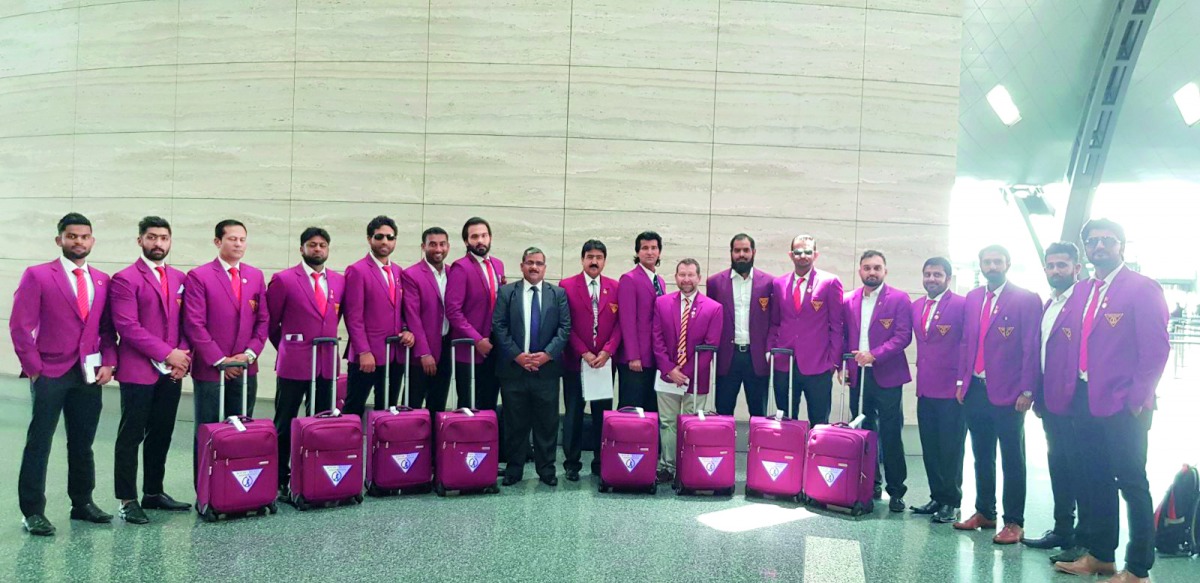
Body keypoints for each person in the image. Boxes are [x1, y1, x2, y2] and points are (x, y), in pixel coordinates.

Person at [1054, 219, 1170, 583]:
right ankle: (1102, 556)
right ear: (1085, 248)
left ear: (1121, 245)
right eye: (1092, 241)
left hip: (1125, 404)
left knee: (1132, 482)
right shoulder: (1082, 290)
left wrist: (1137, 398)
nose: (1099, 246)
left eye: (1107, 240)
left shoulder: (1141, 288)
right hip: (1086, 400)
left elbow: (1156, 350)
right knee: (1095, 479)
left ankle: (1137, 568)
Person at [11, 213, 117, 536]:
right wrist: (34, 369)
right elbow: (19, 326)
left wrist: (109, 363)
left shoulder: (102, 280)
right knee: (39, 442)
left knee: (83, 442)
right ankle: (32, 511)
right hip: (49, 373)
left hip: (87, 374)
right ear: (59, 240)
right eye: (72, 236)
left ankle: (82, 502)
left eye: (84, 237)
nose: (78, 242)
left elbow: (106, 330)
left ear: (92, 241)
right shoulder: (38, 275)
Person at [953, 244, 1041, 545]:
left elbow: (1031, 348)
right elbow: (966, 342)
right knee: (981, 454)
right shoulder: (973, 298)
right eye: (987, 262)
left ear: (1008, 263)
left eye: (997, 261)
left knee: (1012, 458)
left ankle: (1014, 521)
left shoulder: (1026, 299)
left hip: (1010, 392)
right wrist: (961, 382)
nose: (992, 266)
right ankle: (985, 512)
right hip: (976, 388)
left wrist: (1028, 389)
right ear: (980, 265)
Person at [109, 216, 192, 525]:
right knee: (131, 435)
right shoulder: (125, 278)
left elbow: (188, 324)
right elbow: (127, 327)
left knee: (162, 433)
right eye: (152, 237)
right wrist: (167, 353)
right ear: (140, 240)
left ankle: (153, 492)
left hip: (172, 371)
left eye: (164, 238)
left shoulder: (180, 278)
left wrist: (182, 356)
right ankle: (127, 499)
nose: (158, 243)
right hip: (138, 370)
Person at [184, 220, 270, 482]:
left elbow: (263, 320)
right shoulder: (199, 276)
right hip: (212, 370)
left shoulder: (255, 275)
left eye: (242, 239)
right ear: (217, 242)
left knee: (242, 427)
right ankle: (206, 485)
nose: (238, 244)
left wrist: (249, 355)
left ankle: (237, 484)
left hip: (245, 368)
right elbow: (194, 323)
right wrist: (221, 360)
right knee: (208, 428)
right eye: (232, 239)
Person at [266, 227, 344, 497]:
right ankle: (279, 478)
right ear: (302, 249)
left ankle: (313, 471)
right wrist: (289, 347)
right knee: (285, 421)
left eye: (323, 245)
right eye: (312, 245)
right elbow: (271, 323)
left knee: (321, 422)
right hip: (294, 365)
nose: (318, 249)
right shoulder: (284, 279)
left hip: (326, 364)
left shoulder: (338, 281)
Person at [1024, 242, 1084, 557]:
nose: (1056, 271)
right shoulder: (1049, 305)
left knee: (1080, 468)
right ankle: (1063, 529)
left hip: (1076, 403)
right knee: (1058, 465)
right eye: (1052, 265)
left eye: (1063, 265)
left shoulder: (1083, 303)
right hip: (1050, 403)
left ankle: (1083, 539)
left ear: (1077, 268)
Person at [493, 248, 571, 487]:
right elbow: (499, 326)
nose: (534, 267)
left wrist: (547, 355)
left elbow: (564, 328)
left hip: (546, 371)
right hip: (514, 370)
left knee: (547, 423)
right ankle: (514, 470)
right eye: (529, 263)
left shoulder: (557, 294)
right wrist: (517, 356)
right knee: (515, 423)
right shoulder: (507, 292)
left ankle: (546, 470)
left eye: (538, 263)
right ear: (522, 266)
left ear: (545, 268)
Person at [844, 250, 912, 512]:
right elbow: (843, 334)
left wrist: (874, 355)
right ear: (860, 270)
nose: (872, 272)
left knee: (891, 434)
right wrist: (845, 365)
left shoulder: (899, 299)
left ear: (885, 271)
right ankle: (870, 482)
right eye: (867, 267)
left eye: (877, 268)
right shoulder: (849, 299)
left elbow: (903, 336)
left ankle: (896, 490)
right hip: (859, 376)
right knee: (864, 431)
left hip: (887, 374)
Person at [652, 259, 723, 485]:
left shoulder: (714, 308)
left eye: (691, 275)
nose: (686, 279)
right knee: (668, 423)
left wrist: (685, 372)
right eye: (682, 274)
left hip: (696, 378)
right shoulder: (662, 303)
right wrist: (670, 369)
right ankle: (667, 466)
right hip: (666, 376)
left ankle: (688, 466)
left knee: (691, 424)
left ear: (699, 278)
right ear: (676, 276)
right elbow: (657, 339)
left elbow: (710, 346)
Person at [910, 257, 968, 524]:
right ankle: (936, 496)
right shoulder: (917, 306)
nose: (931, 279)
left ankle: (952, 501)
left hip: (951, 390)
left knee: (951, 448)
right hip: (925, 389)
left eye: (937, 274)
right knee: (930, 447)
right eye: (928, 274)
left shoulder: (961, 305)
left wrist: (961, 382)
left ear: (948, 277)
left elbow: (967, 345)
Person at [559, 240, 621, 481]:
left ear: (604, 260)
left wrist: (606, 352)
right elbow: (565, 325)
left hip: (604, 365)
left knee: (601, 415)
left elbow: (619, 326)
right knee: (573, 414)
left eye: (599, 257)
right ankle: (571, 464)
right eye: (589, 257)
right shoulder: (566, 286)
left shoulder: (615, 287)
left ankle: (599, 461)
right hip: (576, 362)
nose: (594, 261)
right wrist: (584, 352)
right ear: (582, 259)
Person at [766, 234, 844, 424]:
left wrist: (834, 362)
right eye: (798, 252)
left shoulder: (830, 282)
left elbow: (837, 325)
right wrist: (770, 350)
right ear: (791, 255)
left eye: (807, 252)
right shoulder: (778, 284)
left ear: (815, 255)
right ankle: (787, 455)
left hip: (818, 365)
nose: (803, 256)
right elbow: (775, 322)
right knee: (785, 420)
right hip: (785, 362)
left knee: (819, 421)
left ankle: (815, 455)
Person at [343, 216, 414, 415]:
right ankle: (350, 446)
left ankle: (382, 447)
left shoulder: (399, 271)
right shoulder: (357, 270)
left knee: (388, 411)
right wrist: (363, 351)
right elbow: (353, 317)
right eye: (379, 237)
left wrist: (407, 330)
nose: (385, 241)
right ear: (369, 239)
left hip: (394, 353)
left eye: (390, 237)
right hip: (367, 356)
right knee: (354, 408)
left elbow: (402, 311)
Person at [706, 234, 773, 417]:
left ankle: (758, 447)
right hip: (727, 357)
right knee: (723, 412)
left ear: (754, 252)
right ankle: (721, 446)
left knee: (759, 413)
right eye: (737, 250)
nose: (741, 254)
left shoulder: (769, 283)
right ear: (731, 253)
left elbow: (774, 321)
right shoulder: (715, 283)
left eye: (746, 250)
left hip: (757, 358)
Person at [445, 217, 505, 411]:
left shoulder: (498, 265)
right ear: (466, 241)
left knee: (489, 403)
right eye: (475, 236)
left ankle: (487, 442)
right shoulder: (460, 267)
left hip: (495, 348)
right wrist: (477, 340)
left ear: (490, 238)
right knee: (469, 406)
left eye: (484, 235)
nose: (480, 240)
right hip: (470, 349)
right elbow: (453, 311)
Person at [403, 227, 453, 412]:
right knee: (412, 405)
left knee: (438, 405)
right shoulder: (412, 274)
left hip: (447, 348)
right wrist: (424, 353)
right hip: (421, 351)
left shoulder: (453, 272)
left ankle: (435, 442)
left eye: (442, 244)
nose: (438, 249)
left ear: (448, 246)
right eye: (433, 244)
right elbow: (412, 316)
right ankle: (409, 441)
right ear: (423, 247)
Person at [617, 231, 667, 414]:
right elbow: (627, 321)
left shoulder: (660, 281)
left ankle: (646, 444)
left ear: (659, 252)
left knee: (649, 409)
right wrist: (633, 356)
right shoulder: (629, 279)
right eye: (645, 248)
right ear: (637, 252)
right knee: (631, 408)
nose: (650, 252)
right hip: (635, 359)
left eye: (654, 248)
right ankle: (624, 443)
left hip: (654, 357)